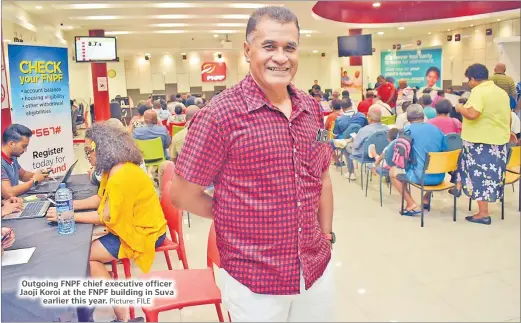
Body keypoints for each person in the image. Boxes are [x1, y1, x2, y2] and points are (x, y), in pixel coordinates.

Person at [170, 6, 335, 322]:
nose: (280, 57)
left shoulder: (313, 109)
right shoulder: (219, 116)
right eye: (269, 46)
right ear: (247, 50)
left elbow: (323, 175)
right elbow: (182, 194)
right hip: (256, 281)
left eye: (289, 47)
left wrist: (326, 236)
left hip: (316, 270)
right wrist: (237, 214)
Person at [46, 123, 166, 322]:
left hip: (145, 232)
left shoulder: (122, 175)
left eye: (89, 151)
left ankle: (122, 314)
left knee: (87, 257)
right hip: (131, 226)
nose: (88, 156)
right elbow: (100, 200)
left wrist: (67, 215)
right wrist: (68, 205)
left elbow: (107, 216)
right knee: (86, 251)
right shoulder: (113, 170)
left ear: (103, 148)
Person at [454, 64, 511, 225]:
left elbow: (473, 114)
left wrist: (460, 108)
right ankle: (483, 210)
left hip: (480, 142)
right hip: (498, 141)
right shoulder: (501, 93)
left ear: (473, 79)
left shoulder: (479, 91)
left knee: (479, 176)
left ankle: (483, 213)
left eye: (469, 80)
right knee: (490, 176)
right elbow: (508, 115)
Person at [389, 104, 447, 215]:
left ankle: (411, 203)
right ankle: (425, 199)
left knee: (393, 172)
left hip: (420, 177)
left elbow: (399, 157)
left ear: (408, 118)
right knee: (430, 161)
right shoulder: (436, 130)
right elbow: (445, 151)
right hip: (439, 177)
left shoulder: (406, 131)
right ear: (423, 116)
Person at [1, 124, 49, 198]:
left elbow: (23, 175)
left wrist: (41, 175)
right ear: (11, 144)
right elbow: (8, 193)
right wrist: (34, 181)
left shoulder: (12, 157)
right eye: (23, 146)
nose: (25, 150)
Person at [343, 106, 388, 180]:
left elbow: (356, 146)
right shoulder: (386, 128)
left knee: (346, 146)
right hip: (381, 155)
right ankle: (387, 177)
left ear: (369, 118)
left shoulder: (364, 130)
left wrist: (353, 140)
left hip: (365, 155)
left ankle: (351, 173)